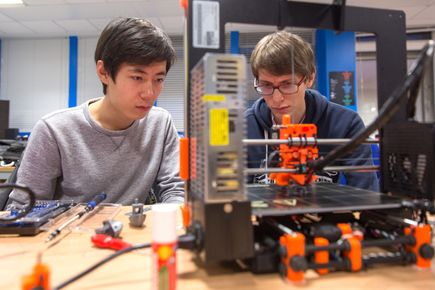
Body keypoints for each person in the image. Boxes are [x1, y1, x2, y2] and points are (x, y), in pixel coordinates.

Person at [9, 17, 184, 205]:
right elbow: (22, 209)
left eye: (158, 79)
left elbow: (175, 189)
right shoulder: (54, 130)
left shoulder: (160, 123)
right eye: (137, 77)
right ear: (104, 72)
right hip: (68, 232)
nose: (150, 93)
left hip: (134, 232)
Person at [245, 31, 379, 191]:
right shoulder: (244, 127)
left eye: (287, 84)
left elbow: (365, 193)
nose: (277, 98)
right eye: (266, 85)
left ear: (310, 78)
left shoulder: (346, 123)